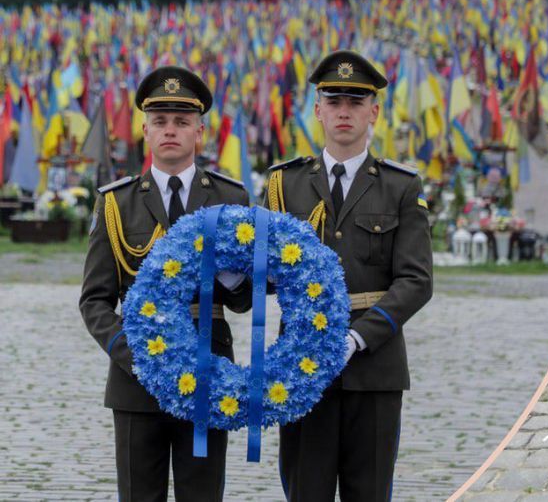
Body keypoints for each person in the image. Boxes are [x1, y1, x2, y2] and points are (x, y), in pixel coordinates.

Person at [266, 50, 433, 500]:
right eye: (334, 101)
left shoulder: (401, 185)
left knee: (370, 491)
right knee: (306, 490)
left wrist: (357, 338)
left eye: (356, 102)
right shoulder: (284, 185)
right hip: (301, 363)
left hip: (374, 367)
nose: (345, 111)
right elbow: (265, 274)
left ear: (374, 112)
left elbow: (416, 280)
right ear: (317, 110)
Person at [80, 66, 251, 502]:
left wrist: (229, 272)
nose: (170, 130)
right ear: (144, 130)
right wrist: (131, 352)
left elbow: (246, 299)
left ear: (199, 131)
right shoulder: (116, 202)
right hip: (137, 378)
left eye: (181, 121)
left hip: (208, 366)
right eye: (160, 121)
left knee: (202, 495)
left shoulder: (230, 199)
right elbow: (95, 299)